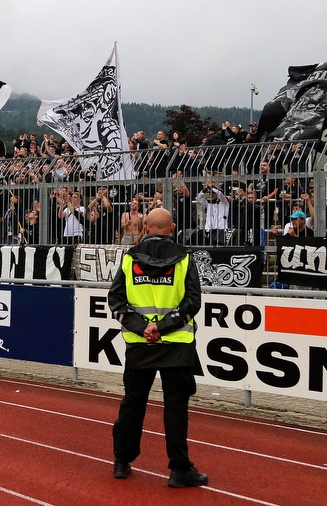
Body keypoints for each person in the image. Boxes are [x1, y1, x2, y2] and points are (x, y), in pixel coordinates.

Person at [108, 208, 208, 488]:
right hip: (176, 343)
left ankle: (121, 461)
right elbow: (193, 302)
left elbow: (116, 300)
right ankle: (179, 469)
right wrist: (162, 327)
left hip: (140, 344)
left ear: (146, 228)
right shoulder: (185, 257)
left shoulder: (129, 257)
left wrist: (143, 328)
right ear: (173, 228)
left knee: (133, 403)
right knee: (176, 408)